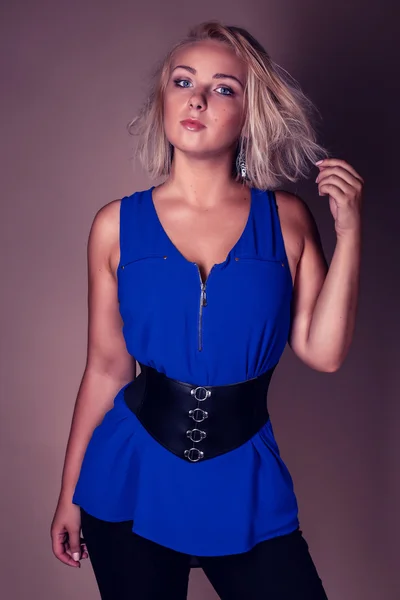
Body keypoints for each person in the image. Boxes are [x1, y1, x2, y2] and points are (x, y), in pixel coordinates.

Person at [50, 20, 363, 600]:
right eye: (182, 81)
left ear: (250, 113)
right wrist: (69, 495)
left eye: (224, 88)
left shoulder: (286, 220)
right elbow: (106, 368)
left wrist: (349, 233)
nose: (197, 97)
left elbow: (323, 352)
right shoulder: (115, 226)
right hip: (128, 478)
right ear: (163, 100)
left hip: (245, 479)